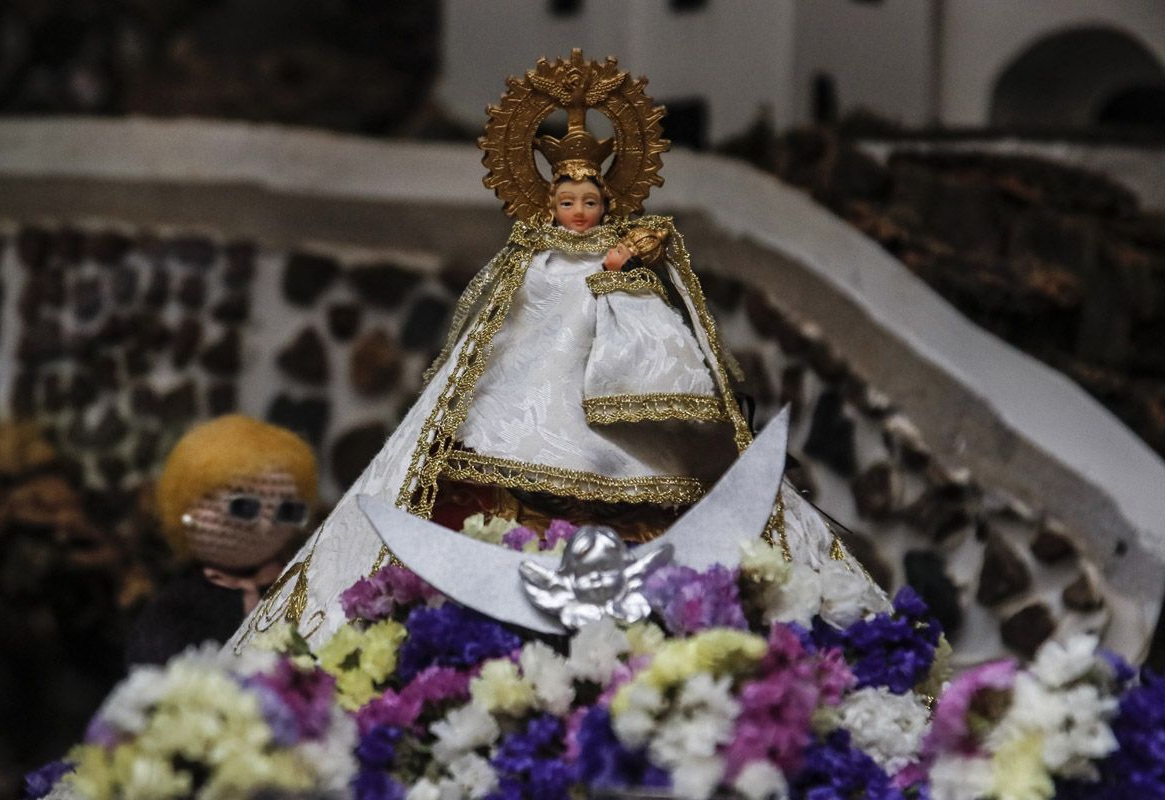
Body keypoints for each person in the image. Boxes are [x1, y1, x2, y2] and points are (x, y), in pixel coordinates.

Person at [228, 51, 882, 654]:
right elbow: (488, 326)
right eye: (566, 201)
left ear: (609, 200)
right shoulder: (527, 261)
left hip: (620, 409)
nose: (577, 212)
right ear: (547, 199)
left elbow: (659, 320)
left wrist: (633, 284)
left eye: (590, 201)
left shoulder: (621, 255)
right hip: (519, 410)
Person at [126, 414, 317, 665]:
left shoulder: (301, 584)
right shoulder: (181, 604)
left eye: (288, 512)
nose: (266, 525)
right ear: (185, 509)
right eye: (244, 508)